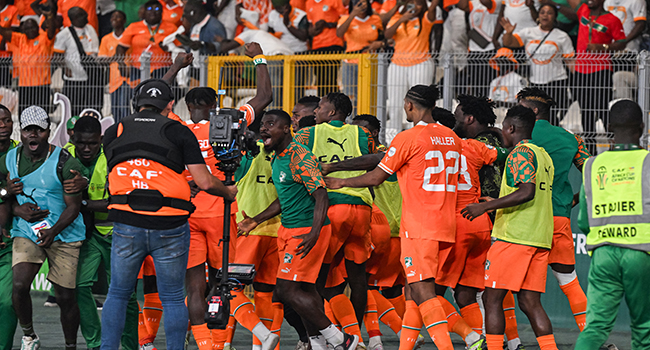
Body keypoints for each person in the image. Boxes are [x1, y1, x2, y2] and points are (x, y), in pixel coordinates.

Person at [100, 74, 236, 349]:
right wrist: (228, 192)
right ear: (170, 105)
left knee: (117, 293)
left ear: (136, 102)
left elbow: (112, 173)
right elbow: (204, 181)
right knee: (173, 296)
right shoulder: (178, 131)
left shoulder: (114, 130)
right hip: (169, 223)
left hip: (126, 220)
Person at [325, 85, 461, 350]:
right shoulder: (451, 137)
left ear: (410, 105)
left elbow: (377, 176)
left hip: (419, 225)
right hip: (446, 224)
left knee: (422, 293)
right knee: (411, 293)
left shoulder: (408, 137)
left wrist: (340, 181)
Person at [238, 109, 360, 350]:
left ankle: (340, 339)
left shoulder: (299, 156)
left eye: (270, 124)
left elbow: (321, 194)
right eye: (263, 124)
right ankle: (317, 342)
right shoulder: (277, 156)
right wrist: (256, 220)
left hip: (305, 231)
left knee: (285, 290)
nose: (264, 128)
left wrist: (315, 232)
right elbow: (285, 198)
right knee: (305, 289)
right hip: (289, 229)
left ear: (286, 129)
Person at [461, 105, 558, 350]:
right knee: (529, 302)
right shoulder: (544, 155)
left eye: (504, 128)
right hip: (539, 236)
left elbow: (527, 191)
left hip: (515, 237)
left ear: (511, 128)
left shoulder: (519, 154)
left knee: (491, 298)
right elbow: (531, 193)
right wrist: (496, 203)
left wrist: (483, 208)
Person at [0, 106, 88, 350]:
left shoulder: (64, 161)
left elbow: (74, 208)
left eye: (39, 129)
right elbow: (1, 192)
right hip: (26, 231)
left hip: (64, 233)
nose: (33, 134)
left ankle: (71, 345)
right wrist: (11, 200)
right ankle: (29, 336)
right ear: (22, 131)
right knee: (18, 286)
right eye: (29, 129)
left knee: (64, 297)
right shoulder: (10, 159)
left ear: (48, 131)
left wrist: (53, 231)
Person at [294, 92, 378, 347]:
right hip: (362, 209)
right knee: (358, 279)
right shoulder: (362, 134)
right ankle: (359, 337)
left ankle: (318, 339)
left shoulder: (309, 134)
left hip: (331, 209)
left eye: (320, 107)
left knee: (315, 281)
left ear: (331, 112)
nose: (315, 112)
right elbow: (378, 159)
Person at [574, 99, 650, 350]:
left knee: (596, 327)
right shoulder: (648, 162)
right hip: (641, 253)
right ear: (642, 127)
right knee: (643, 328)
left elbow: (584, 221)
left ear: (608, 127)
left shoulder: (592, 166)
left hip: (603, 254)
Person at [431, 107, 508, 348]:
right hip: (480, 224)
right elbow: (507, 155)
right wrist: (496, 131)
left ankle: (471, 337)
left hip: (453, 224)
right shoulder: (473, 147)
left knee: (424, 293)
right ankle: (480, 342)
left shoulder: (433, 148)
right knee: (465, 294)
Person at [518, 87, 590, 331]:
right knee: (570, 283)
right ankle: (593, 338)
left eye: (520, 105)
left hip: (524, 221)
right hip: (558, 217)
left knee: (504, 287)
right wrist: (575, 199)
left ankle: (504, 342)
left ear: (534, 110)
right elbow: (591, 173)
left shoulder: (516, 133)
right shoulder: (572, 139)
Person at [69, 116, 140, 350]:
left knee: (127, 294)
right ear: (72, 138)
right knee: (79, 286)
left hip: (119, 233)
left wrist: (83, 203)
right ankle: (95, 343)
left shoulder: (113, 157)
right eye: (81, 143)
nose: (86, 148)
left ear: (101, 139)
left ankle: (130, 345)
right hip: (89, 235)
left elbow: (118, 202)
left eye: (92, 143)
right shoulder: (65, 156)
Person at [568, 0, 625, 153]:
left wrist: (603, 47)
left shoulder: (613, 20)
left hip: (602, 69)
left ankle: (614, 145)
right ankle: (589, 152)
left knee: (602, 109)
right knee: (585, 111)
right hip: (581, 70)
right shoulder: (583, 10)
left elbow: (622, 42)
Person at [501, 4, 575, 123]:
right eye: (542, 12)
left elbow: (570, 61)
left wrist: (576, 82)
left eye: (549, 13)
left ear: (555, 17)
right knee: (537, 115)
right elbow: (509, 43)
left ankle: (551, 138)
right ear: (538, 16)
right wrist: (509, 33)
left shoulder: (562, 36)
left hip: (556, 81)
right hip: (535, 82)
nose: (545, 15)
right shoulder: (528, 32)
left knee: (551, 115)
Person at [384, 0, 442, 143]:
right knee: (396, 103)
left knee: (420, 102)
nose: (415, 6)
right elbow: (387, 34)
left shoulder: (426, 18)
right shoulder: (398, 17)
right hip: (398, 64)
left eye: (419, 3)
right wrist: (402, 19)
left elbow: (433, 8)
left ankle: (422, 137)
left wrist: (433, 4)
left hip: (421, 63)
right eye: (412, 3)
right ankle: (394, 138)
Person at [0, 4, 57, 112]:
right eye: (27, 28)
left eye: (32, 27)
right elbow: (4, 32)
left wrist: (50, 17)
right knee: (24, 115)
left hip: (42, 85)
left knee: (41, 115)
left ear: (37, 28)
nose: (30, 30)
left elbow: (52, 31)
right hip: (24, 85)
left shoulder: (44, 37)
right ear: (23, 30)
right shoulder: (20, 39)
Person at [336, 0, 384, 117]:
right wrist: (353, 14)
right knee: (351, 96)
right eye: (357, 2)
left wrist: (379, 44)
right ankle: (351, 122)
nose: (360, 5)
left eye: (363, 2)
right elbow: (339, 33)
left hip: (370, 62)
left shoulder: (376, 19)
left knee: (368, 95)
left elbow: (385, 38)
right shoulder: (345, 18)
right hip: (351, 62)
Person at [53, 7, 102, 116]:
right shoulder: (64, 34)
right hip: (74, 78)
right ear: (74, 18)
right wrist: (65, 68)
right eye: (82, 15)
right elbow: (57, 56)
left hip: (92, 76)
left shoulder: (90, 29)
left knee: (93, 108)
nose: (86, 17)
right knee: (74, 108)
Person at [116, 0, 178, 83]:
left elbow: (179, 48)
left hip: (163, 69)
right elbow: (121, 47)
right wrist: (121, 64)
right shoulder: (133, 27)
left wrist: (170, 48)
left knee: (161, 94)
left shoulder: (171, 28)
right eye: (149, 9)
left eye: (157, 9)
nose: (153, 11)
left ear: (162, 12)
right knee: (138, 94)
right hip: (137, 68)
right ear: (144, 12)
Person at [0, 104, 19, 350]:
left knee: (7, 302)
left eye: (7, 121)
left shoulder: (20, 153)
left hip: (12, 239)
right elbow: (8, 193)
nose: (3, 126)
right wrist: (4, 191)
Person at [458, 0, 502, 98]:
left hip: (489, 50)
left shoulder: (497, 2)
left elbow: (486, 2)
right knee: (476, 83)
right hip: (474, 50)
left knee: (488, 83)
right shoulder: (473, 3)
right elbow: (461, 5)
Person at [305, 0, 346, 96]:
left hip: (334, 43)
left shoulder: (335, 1)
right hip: (317, 46)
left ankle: (335, 103)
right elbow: (310, 27)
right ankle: (323, 103)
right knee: (320, 79)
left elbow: (344, 19)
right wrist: (315, 29)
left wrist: (328, 24)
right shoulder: (309, 3)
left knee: (331, 77)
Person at [99, 10, 131, 122]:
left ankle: (127, 131)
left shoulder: (130, 36)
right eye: (112, 17)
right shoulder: (106, 39)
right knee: (115, 110)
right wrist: (116, 57)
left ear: (124, 20)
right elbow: (102, 59)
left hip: (128, 78)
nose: (114, 19)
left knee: (124, 107)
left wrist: (114, 58)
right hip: (114, 80)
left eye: (117, 17)